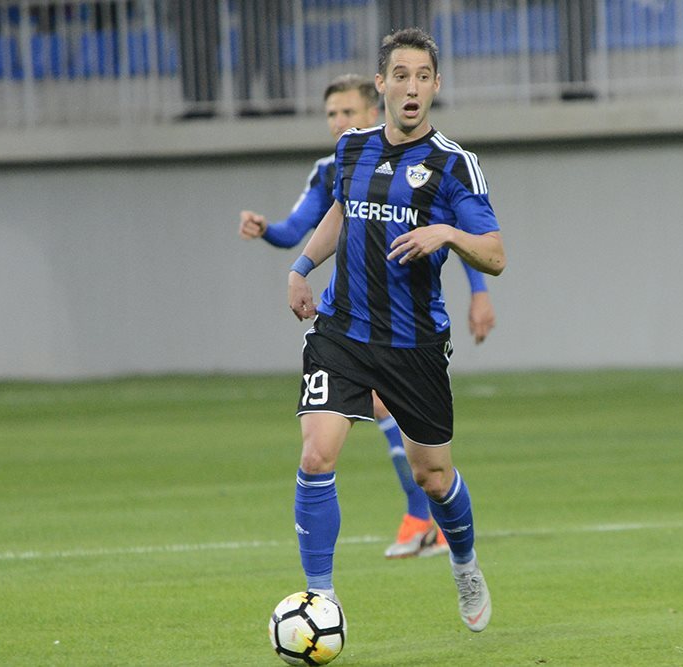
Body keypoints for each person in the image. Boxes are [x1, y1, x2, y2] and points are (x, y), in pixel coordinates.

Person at [285, 27, 505, 632]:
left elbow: (495, 253)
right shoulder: (351, 149)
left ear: (436, 86)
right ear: (381, 83)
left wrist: (449, 233)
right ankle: (320, 599)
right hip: (342, 331)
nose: (412, 88)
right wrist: (302, 267)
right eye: (401, 76)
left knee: (432, 476)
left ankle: (463, 561)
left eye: (423, 77)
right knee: (316, 454)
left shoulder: (455, 165)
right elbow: (341, 210)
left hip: (413, 344)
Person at [240, 73, 497, 560]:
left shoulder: (433, 162)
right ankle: (400, 531)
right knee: (321, 449)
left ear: (372, 110)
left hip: (408, 329)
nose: (339, 122)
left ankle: (430, 520)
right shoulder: (334, 165)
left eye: (347, 113)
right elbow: (300, 229)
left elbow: (459, 231)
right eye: (331, 114)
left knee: (424, 460)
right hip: (347, 324)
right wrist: (271, 234)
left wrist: (479, 293)